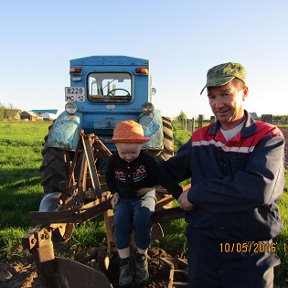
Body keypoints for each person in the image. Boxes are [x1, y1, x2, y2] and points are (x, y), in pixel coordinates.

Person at [161, 62, 285, 288]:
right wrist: (128, 165)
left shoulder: (267, 136)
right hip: (204, 243)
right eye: (212, 97)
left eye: (225, 94)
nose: (218, 104)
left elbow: (259, 188)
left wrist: (197, 193)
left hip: (249, 245)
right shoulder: (201, 137)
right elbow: (169, 170)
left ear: (244, 92)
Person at [105, 120, 182, 287]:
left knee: (142, 218)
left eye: (133, 152)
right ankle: (124, 264)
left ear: (141, 145)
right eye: (123, 153)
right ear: (116, 146)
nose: (128, 157)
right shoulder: (112, 161)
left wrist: (178, 194)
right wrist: (115, 193)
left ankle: (141, 259)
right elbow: (109, 179)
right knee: (120, 223)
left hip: (144, 196)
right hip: (124, 199)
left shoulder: (147, 160)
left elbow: (163, 177)